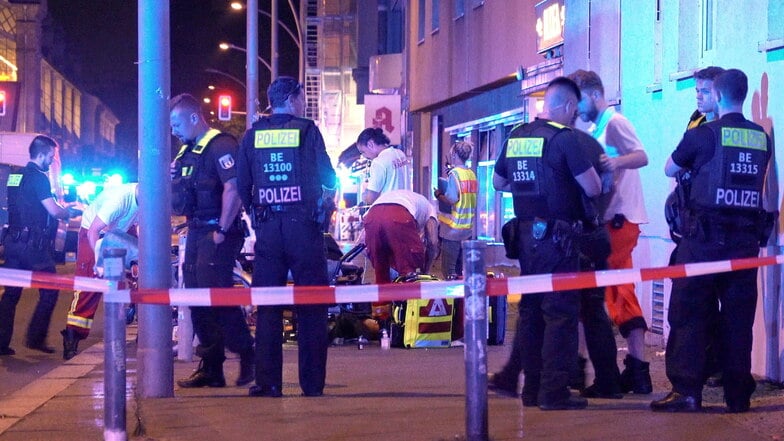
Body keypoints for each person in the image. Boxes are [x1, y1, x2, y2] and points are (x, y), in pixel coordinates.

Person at [652, 69, 773, 413]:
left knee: (688, 314)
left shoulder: (703, 135)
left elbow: (669, 169)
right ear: (744, 96)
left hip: (702, 242)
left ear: (718, 96)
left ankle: (687, 392)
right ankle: (738, 397)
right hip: (746, 243)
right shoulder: (761, 137)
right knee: (738, 320)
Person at [492, 77, 601, 410]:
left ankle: (531, 389)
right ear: (568, 107)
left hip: (525, 238)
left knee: (530, 312)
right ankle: (553, 392)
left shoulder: (516, 136)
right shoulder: (565, 140)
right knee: (560, 315)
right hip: (558, 238)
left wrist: (532, 187)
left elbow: (498, 183)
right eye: (575, 110)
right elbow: (593, 188)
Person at [237, 76, 337, 398]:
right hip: (303, 227)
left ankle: (268, 383)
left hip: (268, 228)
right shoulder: (307, 131)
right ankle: (311, 384)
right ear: (294, 99)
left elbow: (242, 183)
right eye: (302, 98)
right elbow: (328, 175)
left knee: (268, 305)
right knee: (312, 304)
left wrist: (256, 214)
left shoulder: (253, 135)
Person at [570, 69, 652, 394]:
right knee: (618, 291)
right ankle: (637, 370)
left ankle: (624, 370)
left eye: (578, 102)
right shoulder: (599, 126)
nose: (576, 110)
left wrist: (612, 165)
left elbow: (642, 156)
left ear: (592, 94)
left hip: (619, 219)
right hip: (614, 219)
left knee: (602, 291)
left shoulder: (615, 122)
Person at [169, 93, 254, 388]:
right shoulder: (187, 153)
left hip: (218, 233)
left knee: (215, 295)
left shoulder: (221, 145)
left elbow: (234, 188)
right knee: (195, 298)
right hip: (196, 231)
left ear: (194, 118)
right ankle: (212, 368)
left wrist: (221, 229)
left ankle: (247, 353)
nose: (174, 131)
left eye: (177, 123)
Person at [0, 135, 73, 355]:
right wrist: (67, 212)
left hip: (13, 243)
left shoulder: (14, 176)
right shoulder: (40, 178)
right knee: (51, 289)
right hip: (33, 248)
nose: (52, 161)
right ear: (41, 154)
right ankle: (35, 337)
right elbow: (53, 210)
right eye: (51, 156)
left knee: (10, 294)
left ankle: (1, 343)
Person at [61, 183, 139, 360]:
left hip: (119, 232)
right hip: (94, 232)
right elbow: (94, 231)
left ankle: (126, 318)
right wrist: (99, 262)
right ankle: (72, 335)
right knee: (91, 282)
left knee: (129, 277)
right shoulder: (119, 200)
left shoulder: (148, 199)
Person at [363, 189, 439, 284]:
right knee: (408, 272)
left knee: (381, 274)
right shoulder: (431, 210)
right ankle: (408, 297)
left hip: (372, 215)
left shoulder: (414, 201)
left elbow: (363, 245)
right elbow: (432, 242)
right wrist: (426, 271)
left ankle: (385, 297)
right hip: (398, 215)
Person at [433, 140, 477, 279]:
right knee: (460, 271)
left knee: (448, 271)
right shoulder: (471, 174)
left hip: (453, 229)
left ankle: (452, 300)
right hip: (467, 229)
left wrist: (439, 194)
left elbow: (452, 199)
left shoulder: (455, 174)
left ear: (455, 154)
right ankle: (460, 300)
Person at [356, 128, 409, 204]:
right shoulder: (400, 154)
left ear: (370, 144)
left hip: (391, 210)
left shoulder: (378, 162)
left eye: (363, 152)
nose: (364, 156)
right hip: (407, 207)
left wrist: (364, 193)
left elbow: (369, 199)